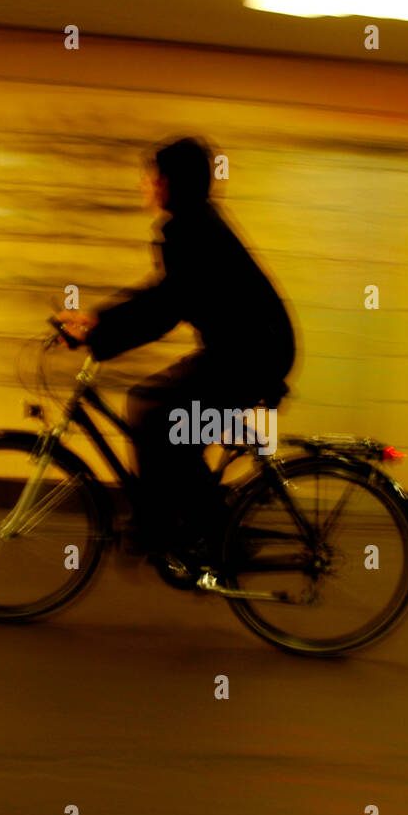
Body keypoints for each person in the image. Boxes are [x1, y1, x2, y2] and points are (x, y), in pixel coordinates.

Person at [60, 136, 295, 579]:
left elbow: (165, 310)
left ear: (171, 182)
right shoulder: (192, 225)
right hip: (244, 351)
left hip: (253, 356)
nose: (144, 184)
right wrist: (95, 320)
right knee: (158, 413)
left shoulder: (193, 230)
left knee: (159, 415)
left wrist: (98, 336)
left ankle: (205, 533)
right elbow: (163, 296)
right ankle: (184, 526)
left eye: (152, 176)